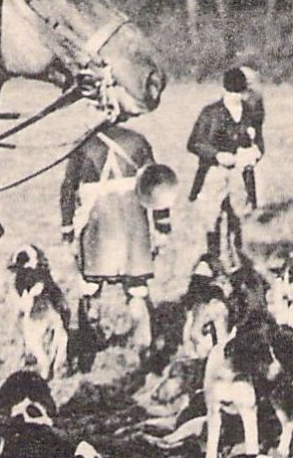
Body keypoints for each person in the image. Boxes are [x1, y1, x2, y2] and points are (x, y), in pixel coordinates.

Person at [60, 123, 176, 366]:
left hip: (98, 222)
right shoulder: (137, 141)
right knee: (137, 289)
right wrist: (162, 227)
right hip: (133, 223)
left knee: (90, 289)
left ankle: (86, 353)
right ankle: (145, 351)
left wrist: (68, 230)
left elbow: (68, 189)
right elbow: (156, 185)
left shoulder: (84, 143)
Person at [186, 67, 265, 250]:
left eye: (239, 92)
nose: (236, 97)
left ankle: (236, 260)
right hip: (214, 174)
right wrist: (216, 155)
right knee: (212, 220)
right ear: (224, 90)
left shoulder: (250, 113)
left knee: (239, 220)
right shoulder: (210, 113)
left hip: (241, 175)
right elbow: (194, 143)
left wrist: (255, 153)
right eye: (232, 92)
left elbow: (259, 143)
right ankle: (213, 259)